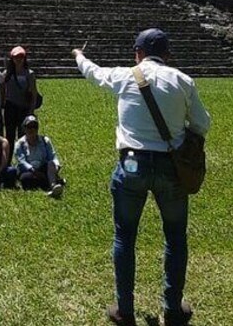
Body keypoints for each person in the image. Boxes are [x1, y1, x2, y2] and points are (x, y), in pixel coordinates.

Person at [73, 28, 211, 326]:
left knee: (125, 236)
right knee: (175, 237)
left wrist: (79, 57)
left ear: (137, 53)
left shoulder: (124, 76)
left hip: (132, 164)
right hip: (170, 168)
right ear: (168, 54)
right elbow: (202, 123)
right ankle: (173, 309)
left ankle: (125, 309)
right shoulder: (182, 81)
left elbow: (94, 73)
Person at [14, 115, 64, 198]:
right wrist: (33, 170)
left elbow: (53, 156)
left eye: (35, 127)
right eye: (29, 127)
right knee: (25, 179)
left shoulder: (45, 140)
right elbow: (21, 161)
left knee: (51, 164)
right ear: (24, 129)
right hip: (29, 171)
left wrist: (57, 166)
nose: (32, 129)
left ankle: (52, 185)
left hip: (42, 167)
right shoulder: (20, 144)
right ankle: (51, 181)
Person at [3, 46, 39, 159]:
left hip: (24, 108)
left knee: (23, 136)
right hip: (10, 108)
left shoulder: (29, 73)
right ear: (12, 59)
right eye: (16, 57)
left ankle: (23, 160)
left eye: (21, 57)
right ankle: (7, 161)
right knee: (9, 136)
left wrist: (31, 110)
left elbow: (33, 93)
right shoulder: (6, 73)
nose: (19, 59)